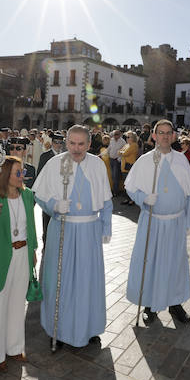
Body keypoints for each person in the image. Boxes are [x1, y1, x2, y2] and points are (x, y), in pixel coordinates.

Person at [33, 125, 112, 347]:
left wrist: (106, 227)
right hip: (63, 229)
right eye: (71, 143)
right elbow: (39, 195)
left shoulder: (97, 164)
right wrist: (54, 205)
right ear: (66, 142)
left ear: (88, 144)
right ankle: (57, 327)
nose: (76, 149)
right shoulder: (54, 164)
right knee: (60, 279)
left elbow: (106, 200)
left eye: (81, 144)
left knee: (87, 280)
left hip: (89, 231)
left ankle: (89, 328)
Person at [124, 120, 190, 324]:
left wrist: (189, 221)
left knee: (175, 263)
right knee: (151, 263)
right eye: (161, 133)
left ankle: (175, 304)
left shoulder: (181, 160)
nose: (165, 136)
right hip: (152, 222)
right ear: (154, 136)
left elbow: (189, 193)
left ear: (173, 136)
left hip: (175, 223)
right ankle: (150, 304)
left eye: (168, 133)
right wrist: (143, 198)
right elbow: (130, 186)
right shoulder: (146, 160)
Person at [0, 156, 37, 372]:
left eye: (22, 171)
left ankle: (14, 348)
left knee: (16, 303)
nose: (22, 176)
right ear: (5, 176)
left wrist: (34, 250)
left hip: (23, 254)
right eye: (17, 172)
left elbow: (31, 225)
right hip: (1, 257)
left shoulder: (28, 195)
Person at [38, 134, 64, 247]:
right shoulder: (45, 156)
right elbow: (40, 174)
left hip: (62, 192)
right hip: (49, 192)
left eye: (60, 142)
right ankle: (46, 241)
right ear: (52, 143)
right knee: (47, 217)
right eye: (56, 142)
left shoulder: (65, 156)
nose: (58, 145)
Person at [119, 132, 139, 205]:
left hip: (129, 166)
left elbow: (125, 153)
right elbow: (119, 152)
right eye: (127, 137)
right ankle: (127, 199)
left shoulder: (134, 145)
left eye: (129, 137)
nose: (127, 138)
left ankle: (132, 199)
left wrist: (122, 152)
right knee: (125, 184)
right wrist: (122, 152)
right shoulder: (127, 145)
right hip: (124, 166)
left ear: (133, 138)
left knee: (130, 184)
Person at [107, 129, 126, 195]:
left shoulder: (123, 142)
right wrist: (106, 154)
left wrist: (119, 159)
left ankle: (115, 192)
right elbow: (109, 148)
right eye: (114, 134)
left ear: (120, 134)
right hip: (111, 159)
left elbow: (124, 151)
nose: (115, 136)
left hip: (116, 160)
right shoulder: (111, 140)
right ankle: (114, 190)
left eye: (117, 134)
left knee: (115, 176)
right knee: (112, 176)